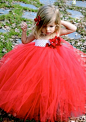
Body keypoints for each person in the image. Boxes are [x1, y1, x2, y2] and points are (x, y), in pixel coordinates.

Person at [0, 5, 86, 122]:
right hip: (35, 62)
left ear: (56, 24)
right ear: (39, 24)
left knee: (52, 83)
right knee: (33, 81)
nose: (47, 30)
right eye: (44, 26)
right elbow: (25, 42)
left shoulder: (56, 32)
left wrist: (60, 21)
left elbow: (73, 29)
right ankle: (33, 102)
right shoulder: (37, 33)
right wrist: (24, 32)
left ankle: (51, 103)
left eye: (50, 26)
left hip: (54, 62)